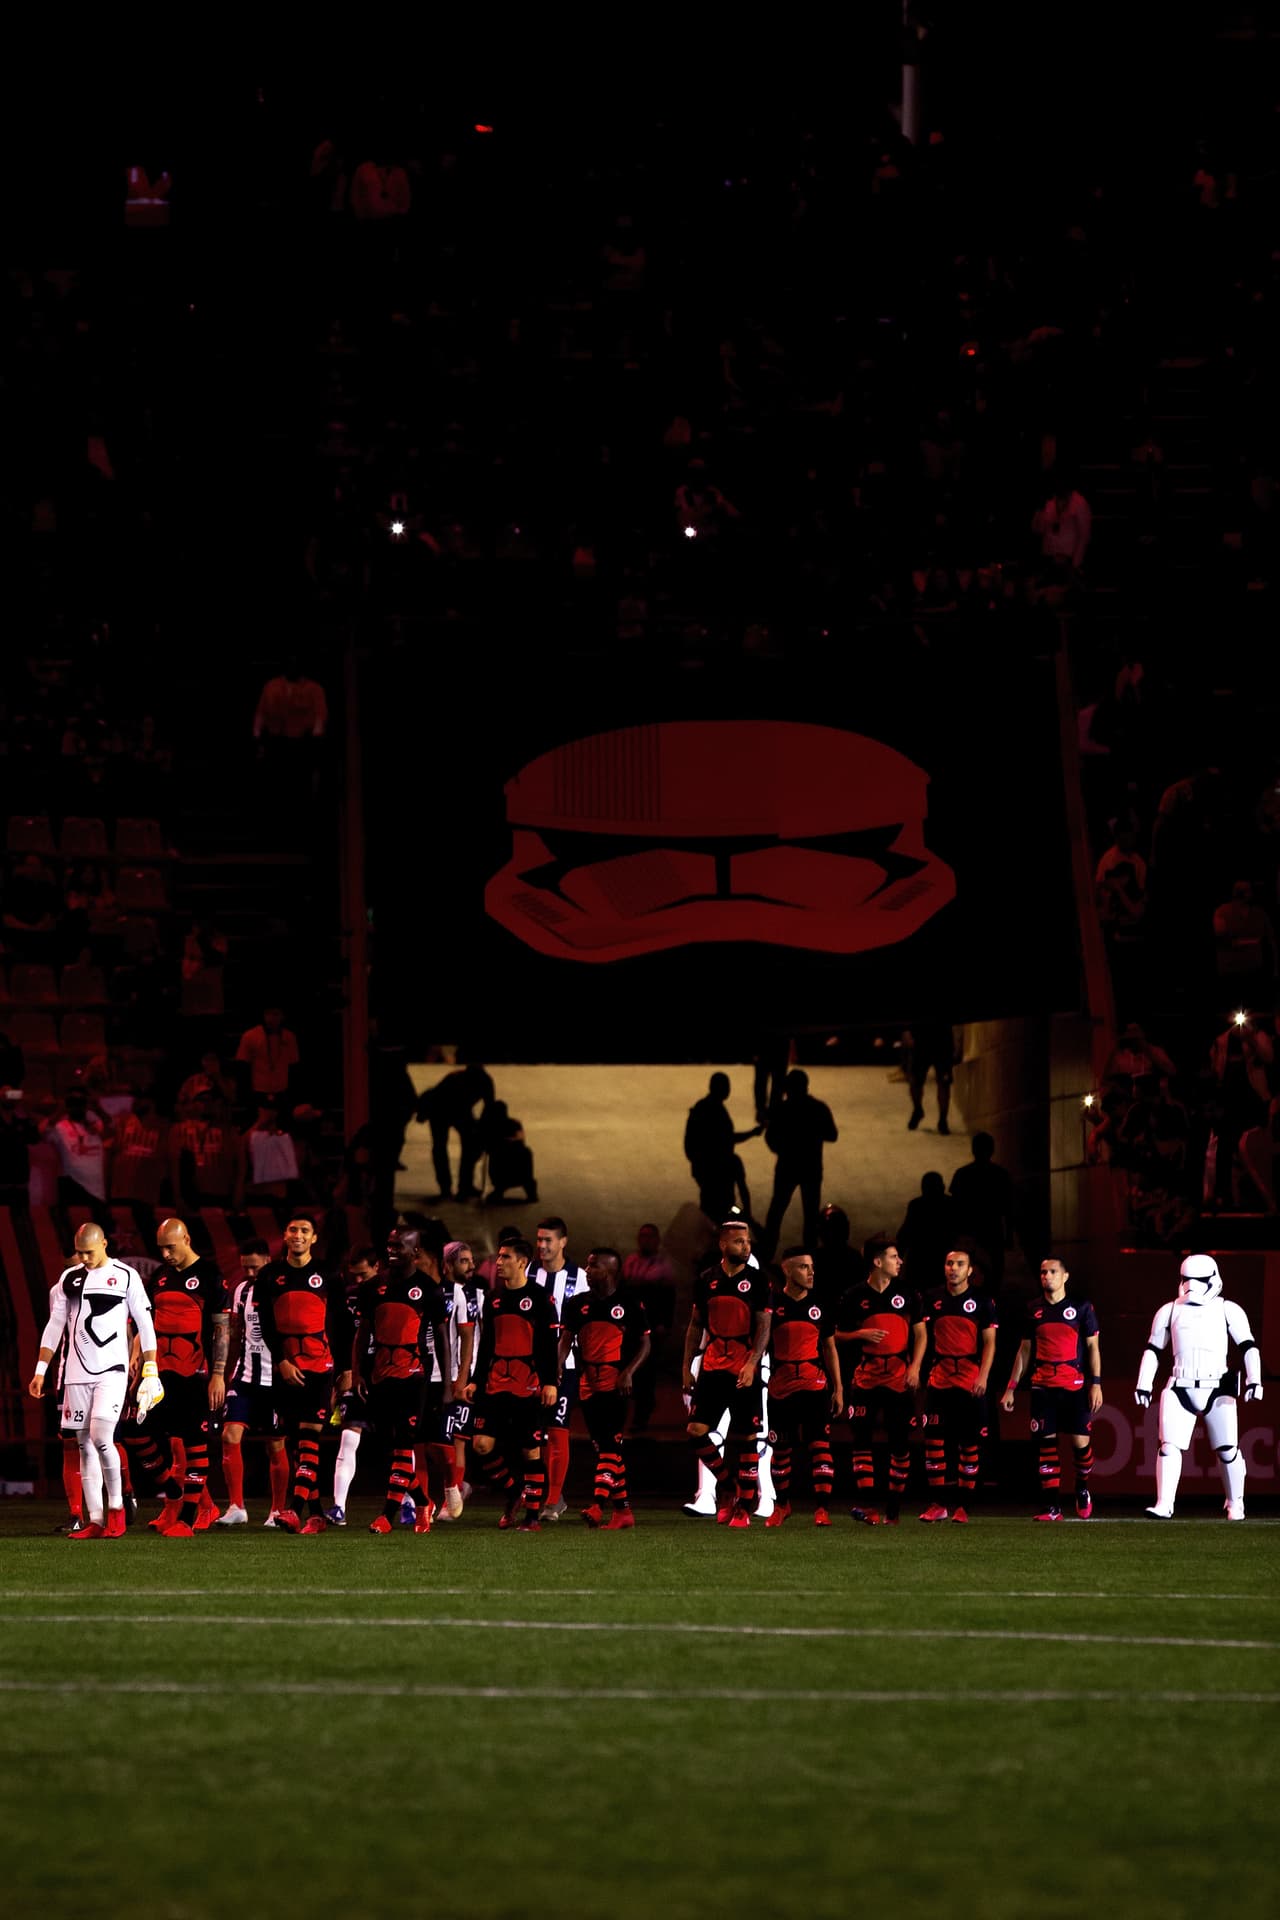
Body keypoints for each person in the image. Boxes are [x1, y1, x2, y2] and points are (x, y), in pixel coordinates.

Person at [29, 1223, 160, 1541]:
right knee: (85, 1445)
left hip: (111, 1372)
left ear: (104, 1243)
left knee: (103, 1437)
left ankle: (117, 1511)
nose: (84, 1258)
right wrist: (40, 1370)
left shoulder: (125, 1275)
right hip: (75, 1374)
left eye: (89, 1252)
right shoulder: (69, 1278)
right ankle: (96, 1519)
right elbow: (55, 1324)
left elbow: (144, 1321)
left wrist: (151, 1368)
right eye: (80, 1252)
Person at [1134, 1253, 1263, 1520]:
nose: (1192, 1286)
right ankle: (1164, 1502)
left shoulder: (1228, 1309)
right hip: (1179, 1385)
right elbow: (1153, 1350)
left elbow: (1248, 1346)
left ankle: (1235, 1502)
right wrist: (1143, 1383)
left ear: (1213, 1279)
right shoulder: (1169, 1310)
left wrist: (1255, 1380)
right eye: (1187, 1280)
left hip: (1219, 1386)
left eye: (1199, 1280)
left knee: (1228, 1450)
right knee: (1169, 1446)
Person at [122, 1218, 228, 1535]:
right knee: (134, 1429)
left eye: (171, 1246)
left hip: (196, 1374)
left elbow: (222, 1329)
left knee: (195, 1443)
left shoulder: (210, 1276)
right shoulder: (160, 1276)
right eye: (162, 1248)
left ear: (186, 1238)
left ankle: (187, 1517)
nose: (166, 1253)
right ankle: (171, 1490)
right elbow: (146, 1321)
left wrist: (218, 1375)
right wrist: (134, 1357)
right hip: (159, 1375)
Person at [254, 1212, 354, 1534]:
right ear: (284, 1235)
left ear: (314, 1238)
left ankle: (294, 1510)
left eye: (305, 1231)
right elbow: (266, 1326)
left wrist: (347, 1369)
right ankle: (315, 1514)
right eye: (293, 1229)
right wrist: (281, 1361)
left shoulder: (328, 1275)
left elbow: (342, 1325)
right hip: (286, 1370)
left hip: (319, 1368)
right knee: (298, 1443)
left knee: (309, 1436)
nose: (298, 1235)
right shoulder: (269, 1275)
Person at [460, 1236, 559, 1531]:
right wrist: (476, 1381)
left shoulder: (540, 1298)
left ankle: (531, 1517)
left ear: (522, 1262)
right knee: (480, 1445)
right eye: (499, 1257)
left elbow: (548, 1345)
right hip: (494, 1384)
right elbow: (487, 1344)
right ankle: (513, 1491)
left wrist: (550, 1382)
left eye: (505, 1257)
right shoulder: (494, 1298)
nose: (498, 1262)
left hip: (528, 1385)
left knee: (530, 1451)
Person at [358, 1224, 451, 1535]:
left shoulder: (429, 1288)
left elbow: (442, 1338)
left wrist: (447, 1386)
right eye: (389, 1244)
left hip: (414, 1377)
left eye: (398, 1246)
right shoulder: (373, 1287)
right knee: (389, 1449)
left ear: (416, 1252)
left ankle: (386, 1516)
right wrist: (358, 1372)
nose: (391, 1250)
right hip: (380, 1375)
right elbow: (364, 1332)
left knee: (403, 1446)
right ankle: (424, 1502)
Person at [682, 1219, 772, 1528]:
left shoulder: (759, 1281)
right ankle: (728, 1485)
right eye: (738, 1242)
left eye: (747, 1242)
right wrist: (686, 1365)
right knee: (696, 1430)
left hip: (743, 1367)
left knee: (748, 1436)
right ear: (723, 1245)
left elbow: (764, 1325)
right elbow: (695, 1325)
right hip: (712, 1365)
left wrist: (752, 1363)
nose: (745, 1247)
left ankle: (744, 1507)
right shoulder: (706, 1279)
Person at [1001, 1258, 1102, 1521]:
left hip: (1075, 1387)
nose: (1047, 1276)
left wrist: (1096, 1384)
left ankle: (1082, 1486)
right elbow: (1024, 1351)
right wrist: (1011, 1387)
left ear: (1065, 1276)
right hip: (1042, 1388)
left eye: (1053, 1271)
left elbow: (1093, 1348)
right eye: (1043, 1271)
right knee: (1046, 1447)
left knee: (1081, 1446)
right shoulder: (1033, 1309)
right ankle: (1052, 1507)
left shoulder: (1081, 1307)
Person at [557, 1246, 650, 1529]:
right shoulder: (576, 1304)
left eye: (593, 1266)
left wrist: (628, 1372)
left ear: (608, 1272)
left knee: (610, 1446)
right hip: (588, 1383)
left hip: (616, 1384)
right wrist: (558, 1366)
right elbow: (565, 1341)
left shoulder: (630, 1303)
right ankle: (623, 1512)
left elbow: (646, 1344)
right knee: (605, 1448)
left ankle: (597, 1505)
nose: (587, 1270)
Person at [838, 1234, 927, 1526]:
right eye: (893, 1257)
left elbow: (921, 1334)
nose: (899, 1261)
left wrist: (914, 1367)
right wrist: (858, 1335)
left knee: (899, 1443)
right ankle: (867, 1505)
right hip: (866, 1379)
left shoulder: (909, 1293)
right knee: (861, 1441)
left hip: (899, 1379)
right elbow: (834, 1335)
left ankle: (893, 1508)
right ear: (877, 1262)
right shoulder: (854, 1296)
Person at [919, 1247, 997, 1523]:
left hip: (969, 1379)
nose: (953, 1268)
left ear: (970, 1270)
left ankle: (963, 1506)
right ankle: (938, 1504)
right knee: (934, 1443)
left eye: (959, 1264)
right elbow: (923, 1338)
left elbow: (990, 1342)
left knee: (968, 1445)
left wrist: (983, 1376)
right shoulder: (932, 1299)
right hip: (939, 1378)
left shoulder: (982, 1301)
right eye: (949, 1263)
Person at [764, 1249, 840, 1527]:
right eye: (804, 1267)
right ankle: (781, 1506)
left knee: (820, 1446)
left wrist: (838, 1388)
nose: (810, 1273)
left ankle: (822, 1509)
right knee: (781, 1450)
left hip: (814, 1385)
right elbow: (761, 1342)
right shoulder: (772, 1304)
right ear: (787, 1270)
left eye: (812, 1267)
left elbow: (829, 1347)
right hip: (781, 1388)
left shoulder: (821, 1304)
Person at [217, 1238, 290, 1528]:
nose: (249, 1274)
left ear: (268, 1263)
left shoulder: (282, 1289)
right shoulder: (240, 1291)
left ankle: (277, 1510)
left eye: (255, 1267)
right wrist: (224, 1374)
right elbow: (235, 1333)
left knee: (276, 1444)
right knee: (229, 1436)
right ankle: (236, 1506)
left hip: (275, 1381)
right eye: (245, 1267)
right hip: (245, 1376)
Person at [529, 1216, 591, 1520]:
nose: (542, 1246)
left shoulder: (579, 1278)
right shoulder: (526, 1273)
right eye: (539, 1240)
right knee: (527, 1435)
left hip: (564, 1367)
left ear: (563, 1242)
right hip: (526, 1367)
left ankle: (553, 1500)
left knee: (557, 1431)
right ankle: (539, 1491)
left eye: (548, 1240)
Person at [326, 1245, 382, 1526]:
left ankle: (413, 1501)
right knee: (348, 1438)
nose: (359, 1282)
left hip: (387, 1375)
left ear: (377, 1268)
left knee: (397, 1443)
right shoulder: (347, 1299)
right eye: (354, 1277)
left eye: (364, 1275)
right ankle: (339, 1507)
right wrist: (343, 1374)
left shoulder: (390, 1292)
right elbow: (339, 1339)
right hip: (355, 1375)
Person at [762, 1070, 838, 1258]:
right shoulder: (818, 1108)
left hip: (787, 1166)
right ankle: (810, 1256)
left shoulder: (781, 1109)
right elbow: (832, 1135)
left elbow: (770, 1137)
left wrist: (782, 1149)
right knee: (810, 1216)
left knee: (776, 1211)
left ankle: (767, 1252)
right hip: (811, 1166)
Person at [683, 1073, 761, 1224]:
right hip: (715, 1170)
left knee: (715, 1207)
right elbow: (728, 1138)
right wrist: (752, 1133)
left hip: (705, 1170)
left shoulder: (702, 1108)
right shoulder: (715, 1111)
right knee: (725, 1207)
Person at [439, 1240, 480, 1516]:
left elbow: (479, 1338)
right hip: (440, 1377)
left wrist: (466, 1378)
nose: (471, 1266)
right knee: (443, 1439)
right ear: (448, 1265)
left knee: (459, 1439)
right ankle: (454, 1487)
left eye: (470, 1260)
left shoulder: (479, 1295)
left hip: (466, 1377)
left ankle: (452, 1494)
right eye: (464, 1260)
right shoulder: (438, 1293)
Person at [621, 1224, 675, 1431]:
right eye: (642, 1236)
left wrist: (665, 1323)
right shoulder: (631, 1262)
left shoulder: (663, 1266)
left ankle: (642, 1412)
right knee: (628, 1365)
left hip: (652, 1324)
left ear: (657, 1240)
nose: (645, 1240)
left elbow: (669, 1298)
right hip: (631, 1324)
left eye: (649, 1236)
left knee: (647, 1370)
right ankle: (633, 1409)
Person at [416, 1062, 494, 1202]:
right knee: (442, 1147)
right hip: (441, 1110)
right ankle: (450, 1187)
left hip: (459, 1111)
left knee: (466, 1146)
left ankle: (463, 1186)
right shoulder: (456, 1079)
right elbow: (437, 1098)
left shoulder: (482, 1081)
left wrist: (483, 1129)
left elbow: (489, 1108)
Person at [949, 1134, 1014, 1285]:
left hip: (968, 1231)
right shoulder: (1000, 1174)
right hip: (993, 1231)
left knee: (965, 1275)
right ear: (992, 1150)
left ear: (973, 1149)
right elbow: (1008, 1207)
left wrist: (953, 1233)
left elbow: (955, 1206)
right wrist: (1009, 1235)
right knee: (994, 1276)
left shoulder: (963, 1174)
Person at [235, 1007, 300, 1104]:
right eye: (268, 1014)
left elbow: (293, 1062)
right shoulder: (250, 1035)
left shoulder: (289, 1037)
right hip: (258, 1089)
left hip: (282, 1089)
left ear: (283, 1016)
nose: (271, 1018)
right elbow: (243, 1063)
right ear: (263, 1015)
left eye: (276, 1014)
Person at [482, 1101, 538, 1204]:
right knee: (523, 1153)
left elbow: (519, 1138)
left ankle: (501, 1189)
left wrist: (502, 1142)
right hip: (504, 1156)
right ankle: (500, 1189)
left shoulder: (512, 1124)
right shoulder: (493, 1126)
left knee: (525, 1153)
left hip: (512, 1155)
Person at [903, 1022, 956, 1133]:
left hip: (942, 1038)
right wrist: (907, 1031)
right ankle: (918, 1109)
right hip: (920, 1037)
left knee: (944, 1082)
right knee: (915, 1081)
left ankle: (943, 1119)